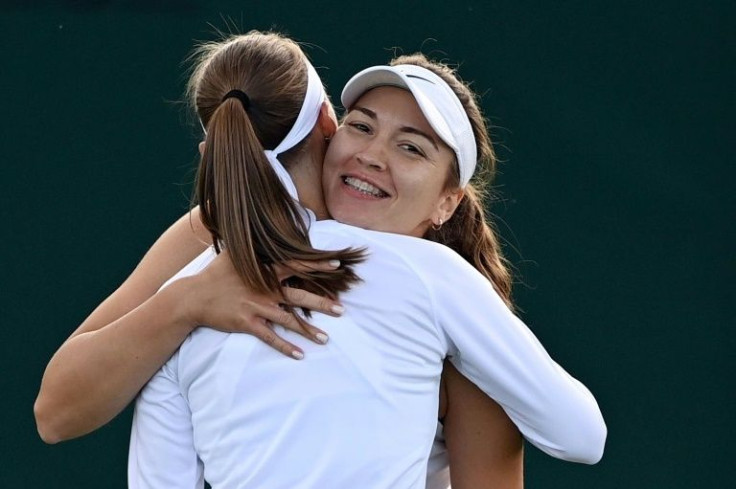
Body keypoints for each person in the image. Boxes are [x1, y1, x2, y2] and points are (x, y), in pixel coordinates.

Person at [34, 31, 604, 488]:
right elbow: (57, 411)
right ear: (328, 132)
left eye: (411, 147)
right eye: (363, 126)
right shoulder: (207, 245)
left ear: (448, 202)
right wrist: (188, 302)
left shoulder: (457, 310)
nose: (374, 155)